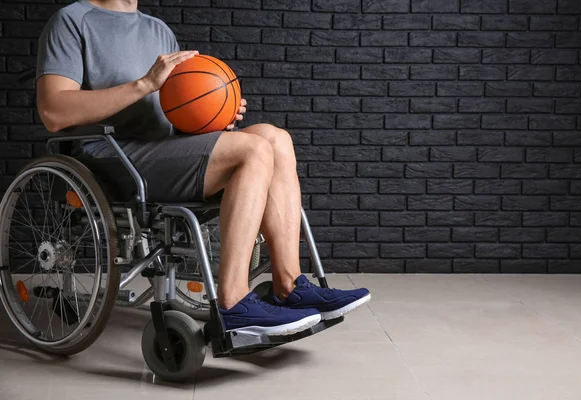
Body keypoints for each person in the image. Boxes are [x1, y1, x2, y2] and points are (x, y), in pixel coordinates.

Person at [36, 0, 371, 336]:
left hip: (162, 151)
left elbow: (175, 111)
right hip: (111, 157)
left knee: (275, 139)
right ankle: (234, 302)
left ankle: (289, 285)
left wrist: (215, 110)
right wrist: (143, 84)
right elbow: (54, 111)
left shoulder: (157, 30)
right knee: (252, 150)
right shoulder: (72, 21)